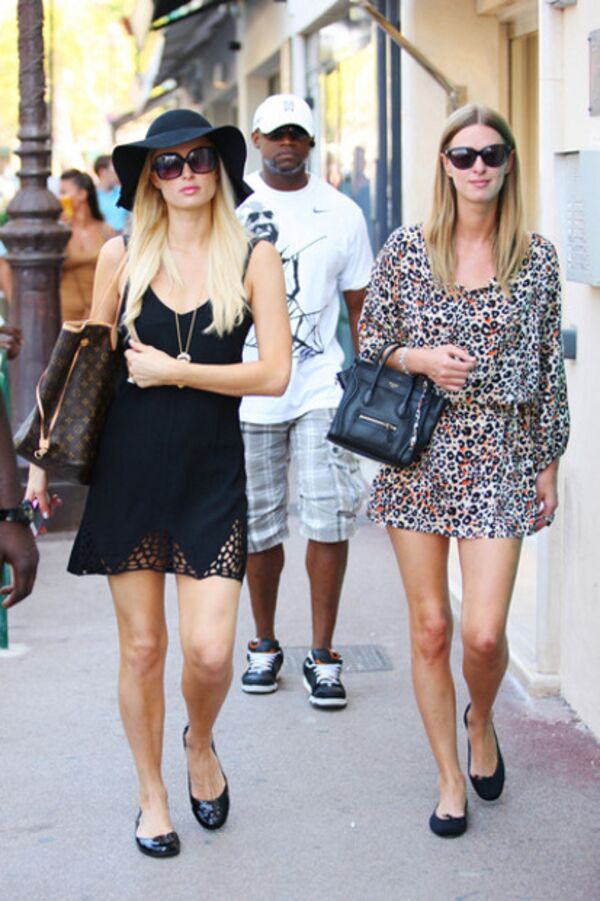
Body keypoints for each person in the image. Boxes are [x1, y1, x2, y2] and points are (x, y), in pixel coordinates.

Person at [26, 108, 290, 858]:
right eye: (167, 164)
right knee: (143, 648)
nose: (185, 174)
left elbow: (274, 373)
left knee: (210, 654)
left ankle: (199, 740)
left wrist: (178, 371)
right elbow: (88, 362)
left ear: (220, 168)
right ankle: (152, 796)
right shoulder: (122, 255)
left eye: (198, 159)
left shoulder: (254, 258)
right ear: (149, 179)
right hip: (130, 473)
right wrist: (42, 460)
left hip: (211, 475)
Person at [358, 103, 569, 837]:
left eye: (491, 153)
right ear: (444, 167)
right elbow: (371, 340)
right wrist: (419, 358)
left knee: (482, 634)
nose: (478, 166)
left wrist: (548, 459)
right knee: (430, 628)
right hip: (417, 452)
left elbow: (548, 369)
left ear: (509, 163)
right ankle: (449, 775)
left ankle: (481, 716)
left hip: (500, 453)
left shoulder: (536, 257)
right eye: (463, 155)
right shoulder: (407, 249)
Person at [237, 94, 373, 708]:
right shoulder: (232, 209)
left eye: (297, 133)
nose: (286, 143)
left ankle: (323, 654)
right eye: (276, 134)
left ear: (311, 142)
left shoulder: (341, 212)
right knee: (258, 524)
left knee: (328, 515)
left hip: (321, 385)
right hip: (249, 388)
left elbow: (359, 308)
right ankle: (263, 644)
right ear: (257, 140)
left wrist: (366, 388)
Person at [59, 169, 115, 321]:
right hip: (66, 314)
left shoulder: (105, 230)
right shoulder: (60, 231)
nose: (60, 198)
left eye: (64, 192)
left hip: (101, 313)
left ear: (82, 194)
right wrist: (61, 231)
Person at [93, 154, 129, 233]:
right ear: (102, 171)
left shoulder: (123, 191)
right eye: (114, 168)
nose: (118, 171)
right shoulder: (93, 197)